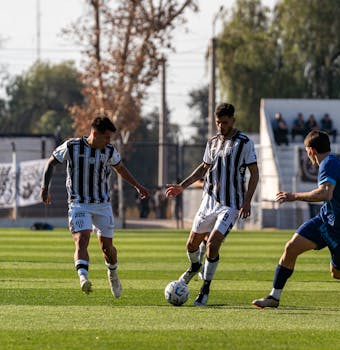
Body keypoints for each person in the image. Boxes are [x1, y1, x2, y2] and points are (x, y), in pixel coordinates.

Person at [252, 130, 340, 310]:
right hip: (326, 220)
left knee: (338, 272)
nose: (307, 155)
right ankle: (274, 297)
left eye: (306, 151)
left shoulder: (328, 163)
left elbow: (326, 193)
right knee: (291, 247)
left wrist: (294, 196)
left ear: (311, 150)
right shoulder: (329, 163)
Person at [41, 116, 149, 296]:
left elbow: (120, 168)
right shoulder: (71, 146)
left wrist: (137, 185)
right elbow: (51, 162)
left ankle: (113, 273)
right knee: (82, 239)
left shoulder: (109, 151)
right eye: (106, 137)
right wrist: (45, 187)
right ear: (95, 133)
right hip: (78, 203)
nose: (108, 141)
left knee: (107, 248)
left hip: (102, 205)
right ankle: (83, 278)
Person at [166, 103, 259, 307]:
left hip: (231, 204)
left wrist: (247, 201)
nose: (221, 126)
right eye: (218, 122)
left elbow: (255, 174)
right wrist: (182, 186)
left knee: (213, 243)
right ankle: (194, 266)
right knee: (191, 245)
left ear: (233, 121)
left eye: (224, 123)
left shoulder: (244, 143)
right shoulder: (213, 142)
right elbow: (203, 168)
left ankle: (205, 289)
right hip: (208, 201)